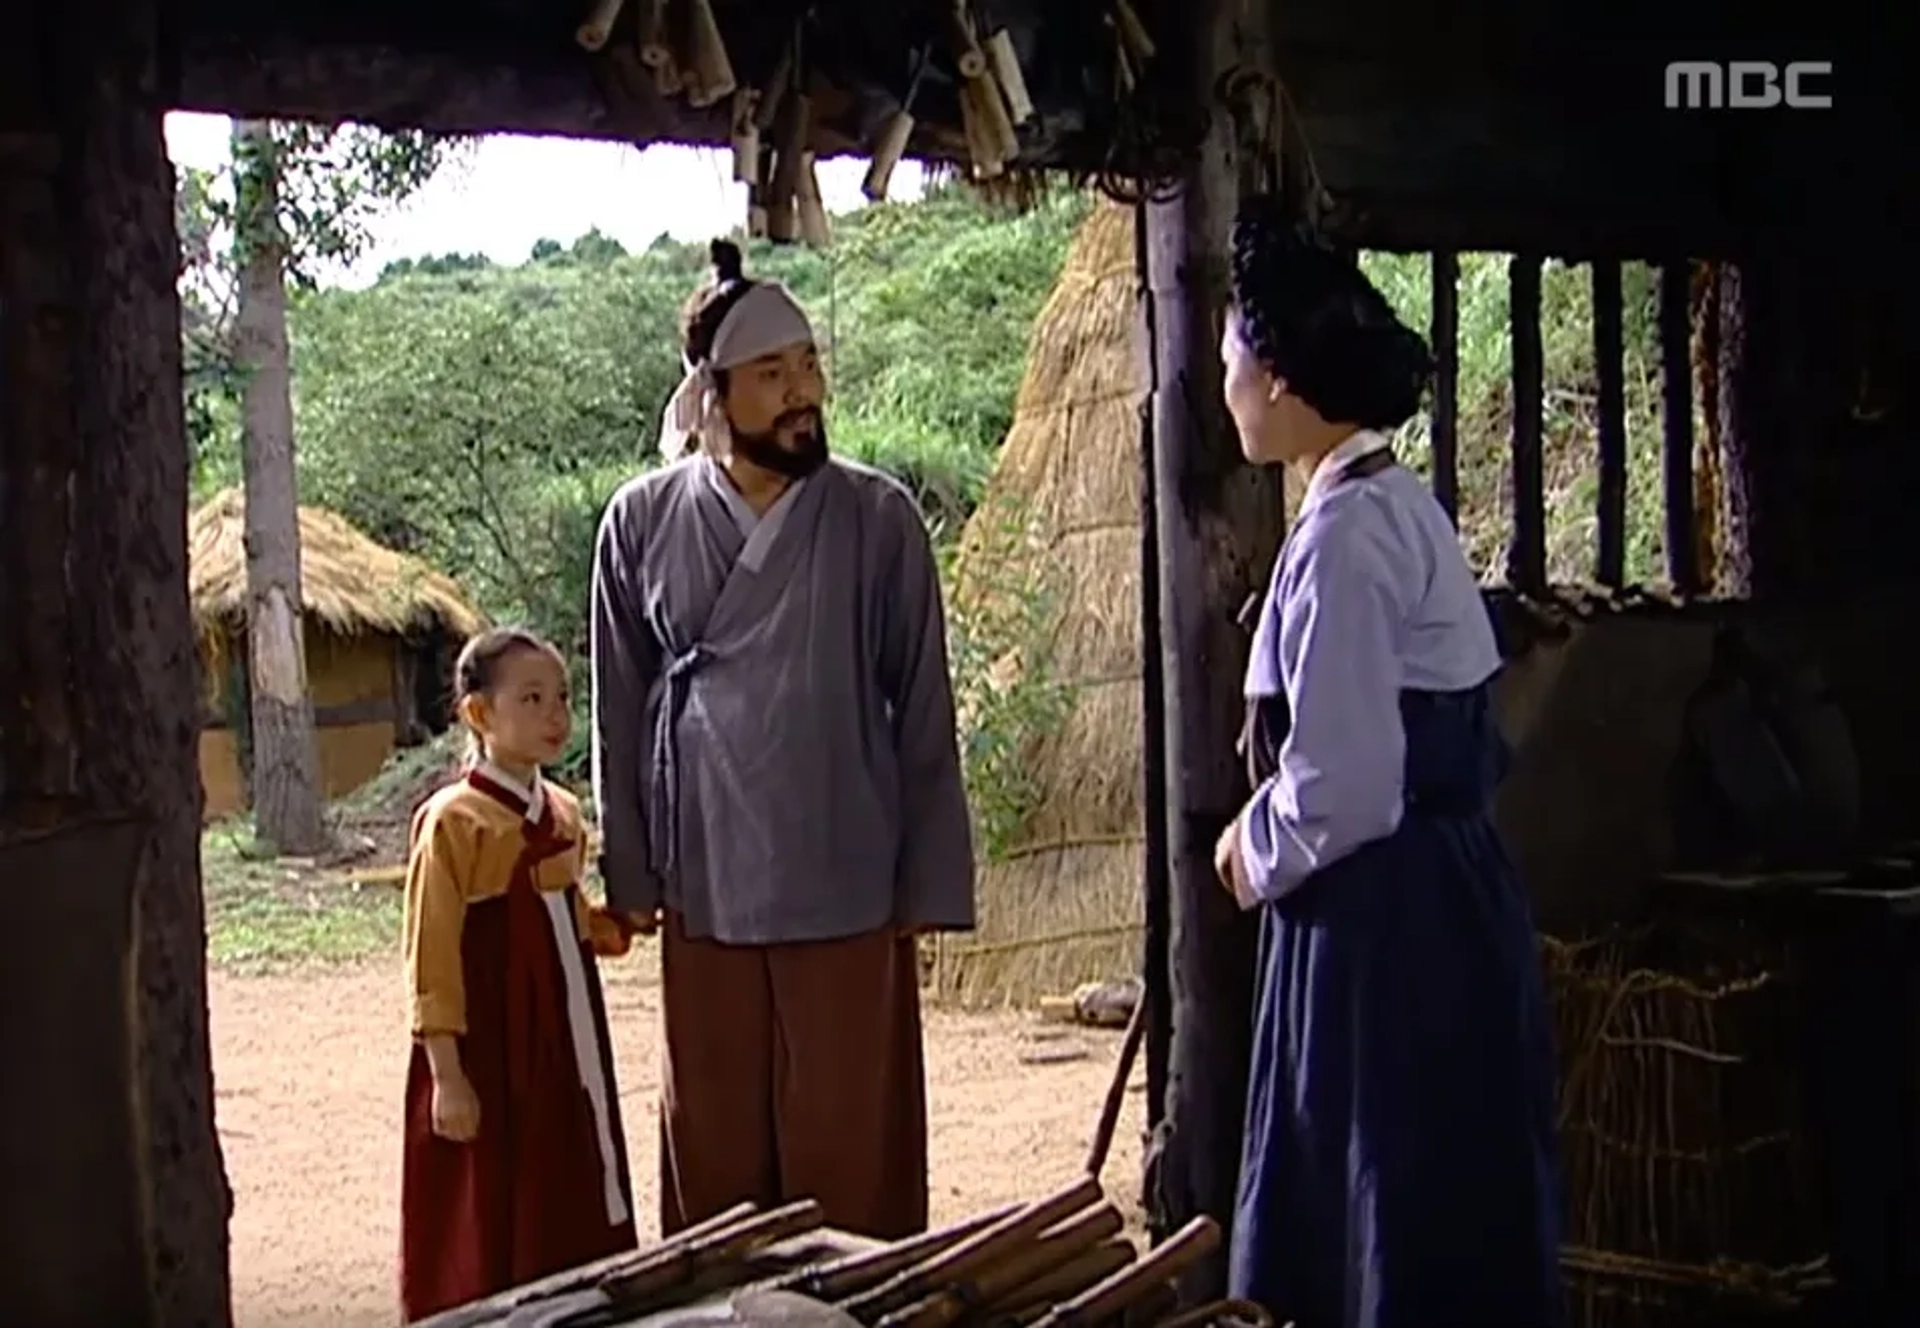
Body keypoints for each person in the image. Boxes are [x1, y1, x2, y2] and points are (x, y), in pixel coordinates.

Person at [1212, 200, 1567, 1327]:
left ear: (1275, 377)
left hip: (1386, 923)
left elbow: (1351, 782)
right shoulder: (1390, 505)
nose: (1223, 383)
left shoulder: (1347, 535)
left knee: (1391, 1215)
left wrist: (1251, 848)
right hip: (1433, 902)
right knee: (1435, 1201)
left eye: (1231, 358)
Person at [589, 239, 975, 1241]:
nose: (803, 391)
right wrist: (630, 869)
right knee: (713, 1141)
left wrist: (925, 879)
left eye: (808, 364)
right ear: (713, 393)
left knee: (848, 1144)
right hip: (706, 865)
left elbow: (923, 707)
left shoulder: (877, 517)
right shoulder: (640, 520)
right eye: (773, 374)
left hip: (843, 860)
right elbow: (620, 703)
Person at [398, 628, 638, 1322]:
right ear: (479, 714)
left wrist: (608, 926)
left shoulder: (560, 813)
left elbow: (566, 915)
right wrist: (446, 1072)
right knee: (493, 1180)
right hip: (491, 1038)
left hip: (563, 1028)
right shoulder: (453, 822)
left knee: (567, 1158)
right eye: (531, 698)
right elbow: (432, 952)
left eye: (562, 697)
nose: (555, 715)